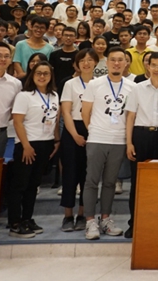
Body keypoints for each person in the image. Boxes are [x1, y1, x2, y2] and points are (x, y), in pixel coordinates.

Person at [81, 47, 136, 240]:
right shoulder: (94, 84)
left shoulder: (132, 86)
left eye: (121, 60)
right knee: (91, 181)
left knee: (110, 182)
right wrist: (93, 130)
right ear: (107, 62)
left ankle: (105, 219)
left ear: (126, 63)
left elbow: (131, 115)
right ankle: (90, 221)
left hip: (119, 140)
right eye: (113, 59)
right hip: (97, 138)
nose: (117, 63)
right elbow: (85, 112)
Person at [8, 61, 60, 238]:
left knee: (33, 185)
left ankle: (27, 219)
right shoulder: (24, 96)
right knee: (20, 185)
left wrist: (56, 141)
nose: (42, 76)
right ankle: (15, 223)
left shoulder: (54, 95)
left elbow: (53, 119)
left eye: (46, 73)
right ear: (32, 75)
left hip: (46, 144)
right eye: (39, 73)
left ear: (51, 76)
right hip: (27, 144)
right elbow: (17, 122)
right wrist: (26, 146)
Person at [124, 52, 158, 239]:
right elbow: (130, 116)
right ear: (147, 66)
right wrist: (129, 142)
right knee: (138, 182)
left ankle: (157, 222)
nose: (157, 68)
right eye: (153, 65)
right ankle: (134, 223)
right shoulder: (137, 88)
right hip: (141, 135)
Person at [59, 49, 98, 233]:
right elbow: (66, 112)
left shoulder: (100, 84)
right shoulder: (70, 84)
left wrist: (91, 132)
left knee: (87, 175)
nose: (86, 63)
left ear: (96, 63)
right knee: (70, 174)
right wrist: (74, 135)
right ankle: (68, 215)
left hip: (94, 129)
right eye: (82, 60)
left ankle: (83, 214)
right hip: (72, 129)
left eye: (90, 60)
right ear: (76, 64)